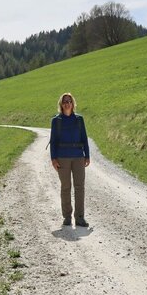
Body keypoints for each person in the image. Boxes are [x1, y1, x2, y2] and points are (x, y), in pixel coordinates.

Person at [49, 92, 90, 227]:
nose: (67, 103)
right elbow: (53, 141)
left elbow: (84, 138)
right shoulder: (56, 121)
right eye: (65, 101)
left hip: (78, 157)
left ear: (73, 104)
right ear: (61, 104)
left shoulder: (79, 119)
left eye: (69, 101)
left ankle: (80, 217)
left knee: (80, 187)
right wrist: (53, 159)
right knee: (65, 187)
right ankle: (67, 217)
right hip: (62, 158)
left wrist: (87, 155)